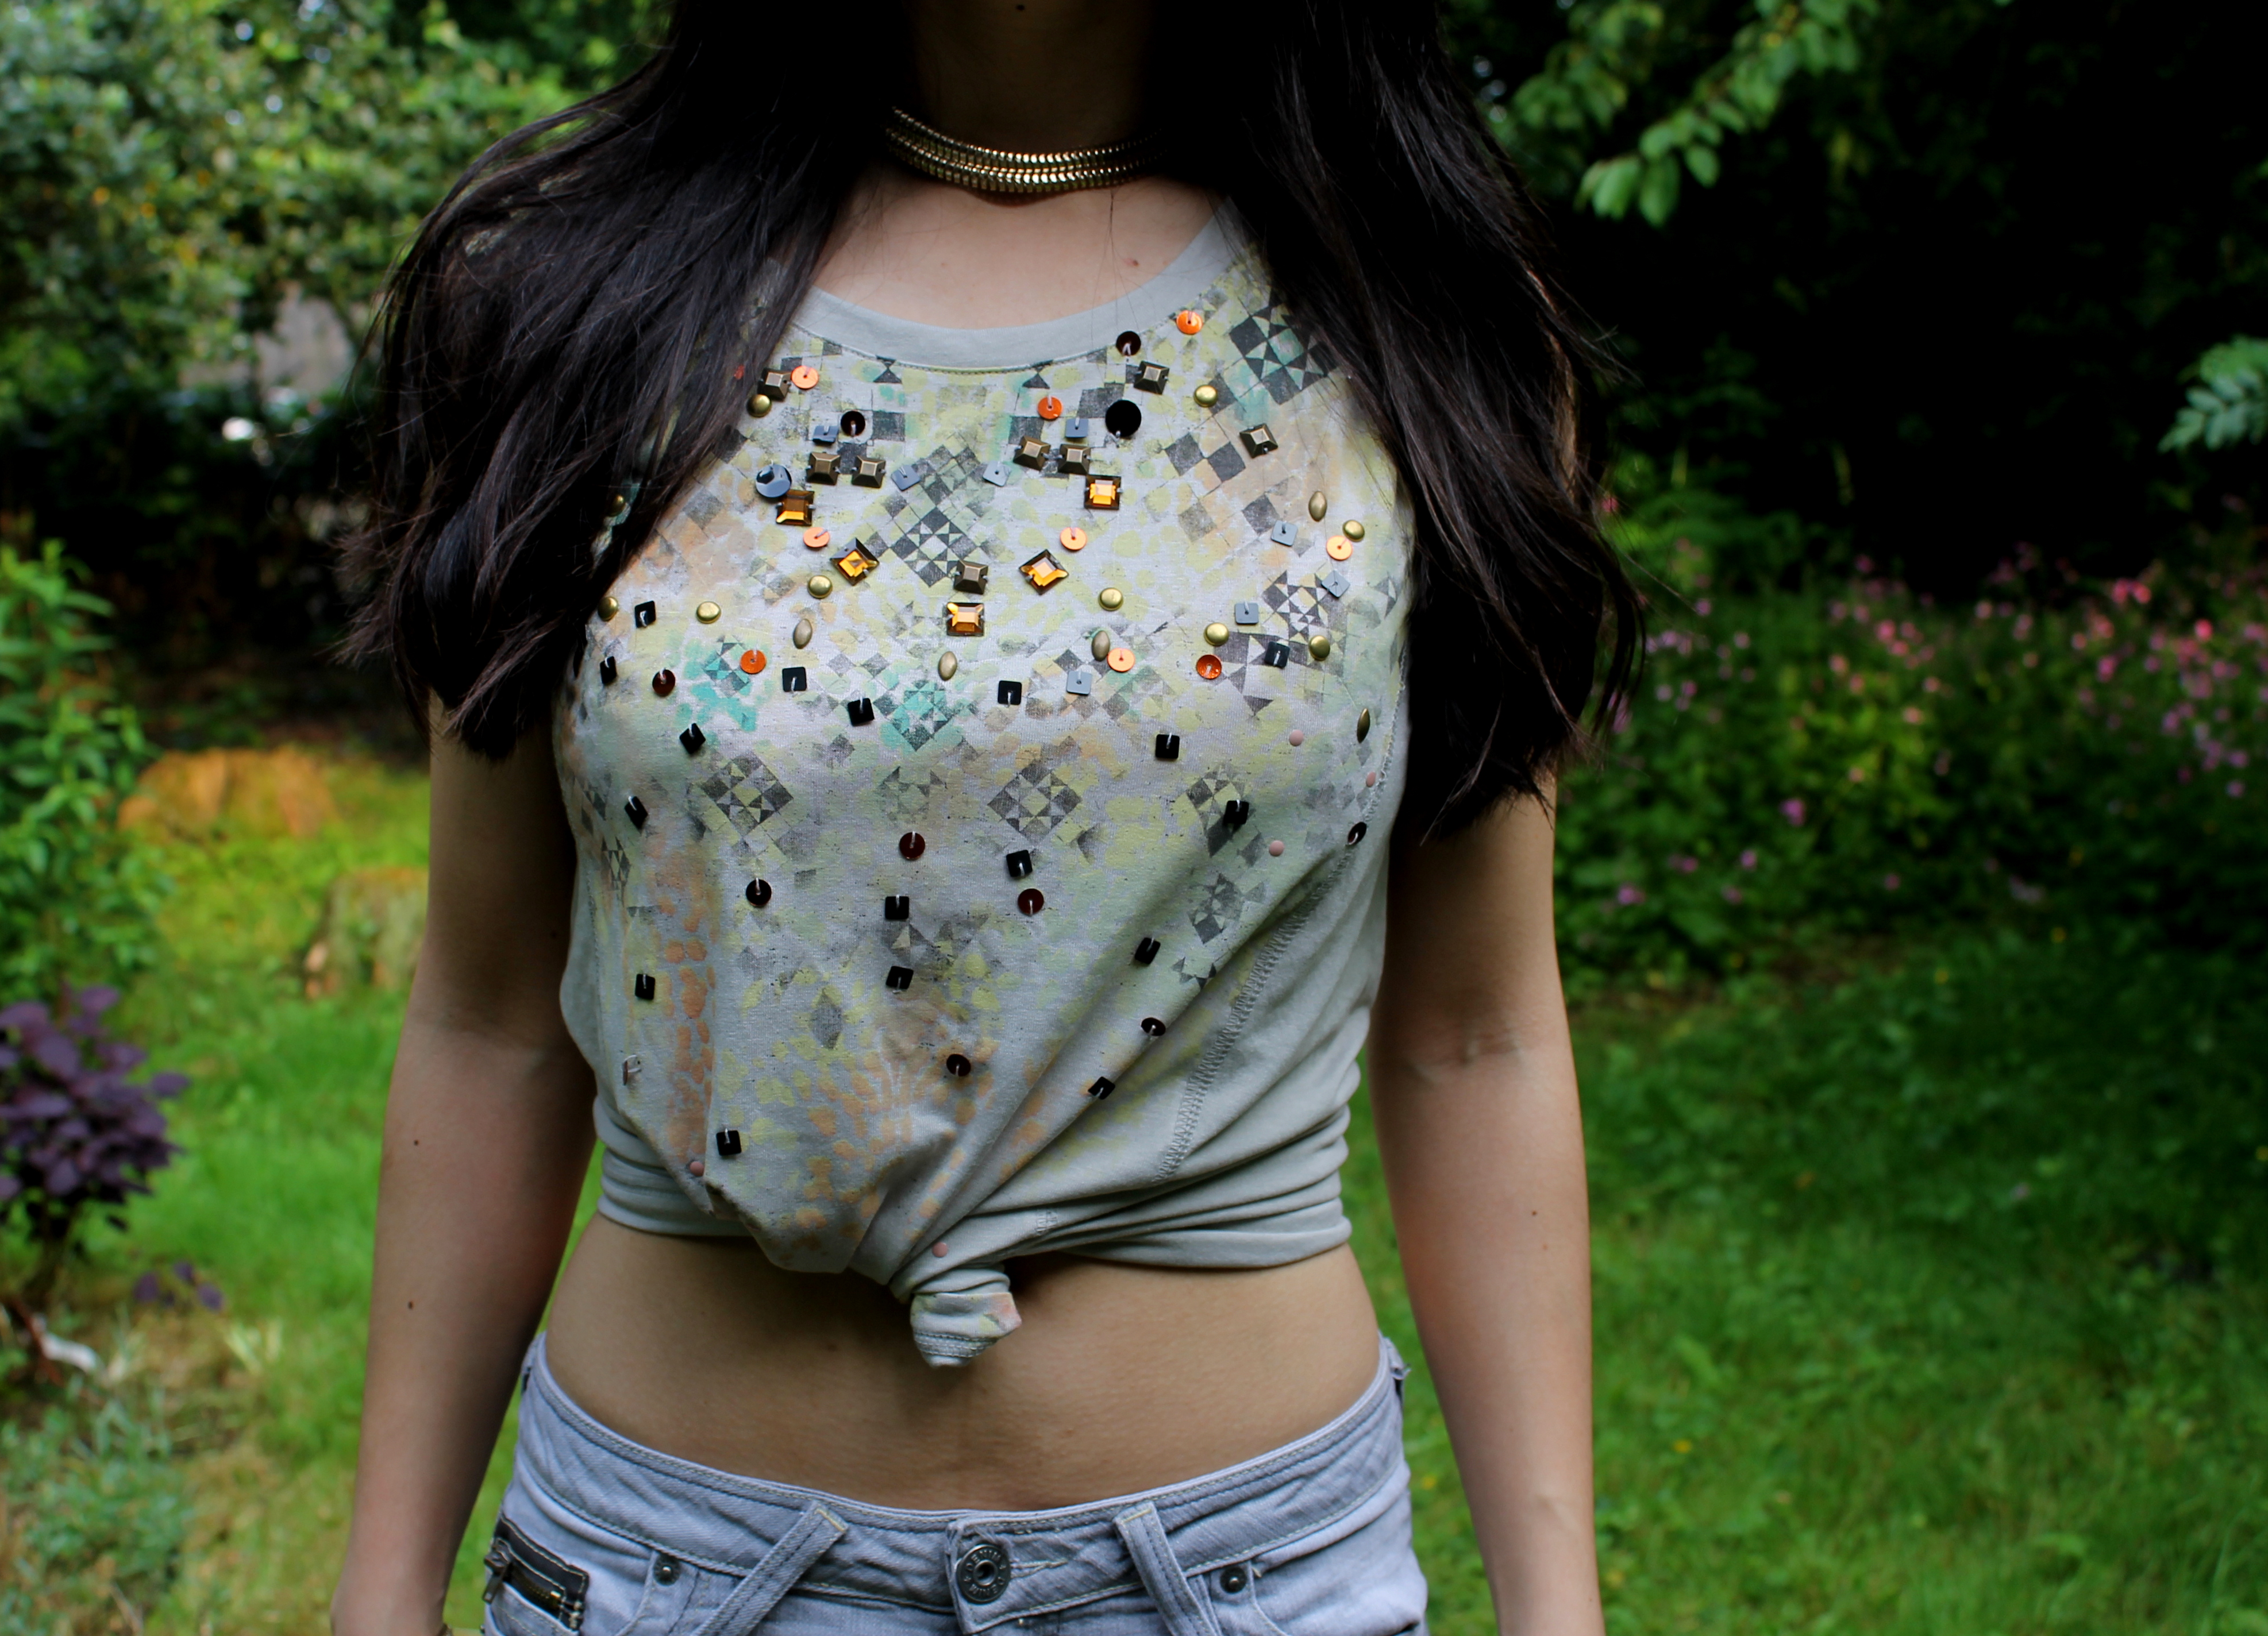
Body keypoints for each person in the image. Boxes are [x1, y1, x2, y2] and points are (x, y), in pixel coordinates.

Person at [334, 2, 1636, 1631]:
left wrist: (1558, 1607)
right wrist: (381, 1594)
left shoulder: (1429, 318)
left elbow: (1476, 1035)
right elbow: (489, 1021)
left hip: (1249, 1580)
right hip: (672, 1572)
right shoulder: (568, 306)